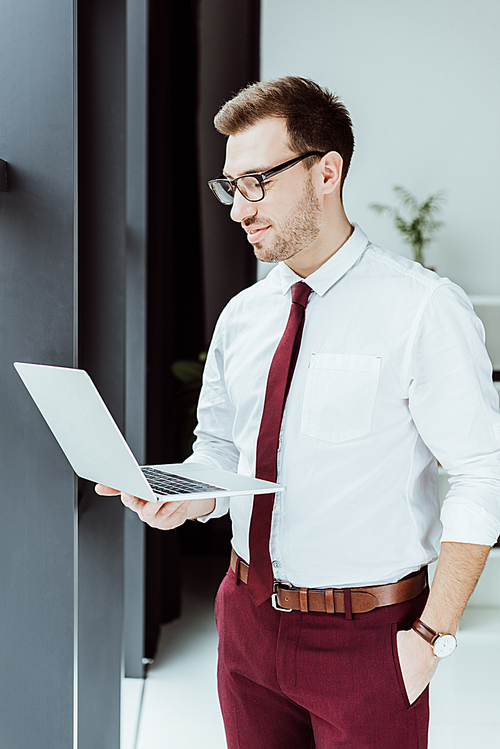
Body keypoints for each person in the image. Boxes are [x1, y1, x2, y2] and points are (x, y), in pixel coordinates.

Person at [97, 77, 500, 748]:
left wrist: (432, 636)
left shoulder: (423, 309)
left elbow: (483, 470)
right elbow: (220, 452)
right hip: (247, 623)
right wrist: (185, 497)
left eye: (256, 181)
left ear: (326, 172)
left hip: (371, 636)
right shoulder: (244, 315)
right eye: (231, 186)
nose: (238, 209)